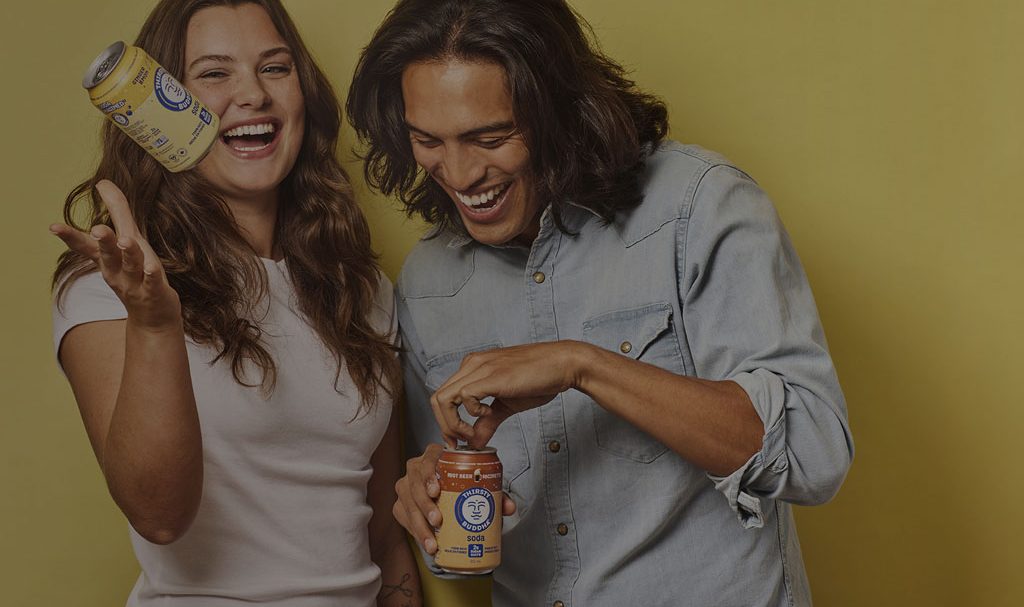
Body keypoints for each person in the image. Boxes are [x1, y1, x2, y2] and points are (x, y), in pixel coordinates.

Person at [346, 0, 854, 605]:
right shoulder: (429, 279)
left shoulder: (699, 209)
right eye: (427, 140)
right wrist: (429, 506)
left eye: (490, 137)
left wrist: (582, 365)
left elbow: (813, 454)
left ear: (558, 111)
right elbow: (465, 556)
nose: (458, 173)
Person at [49, 1, 421, 605]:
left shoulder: (362, 289)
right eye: (215, 74)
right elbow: (160, 516)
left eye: (275, 68)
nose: (253, 94)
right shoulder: (108, 288)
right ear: (154, 110)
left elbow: (382, 538)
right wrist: (153, 321)